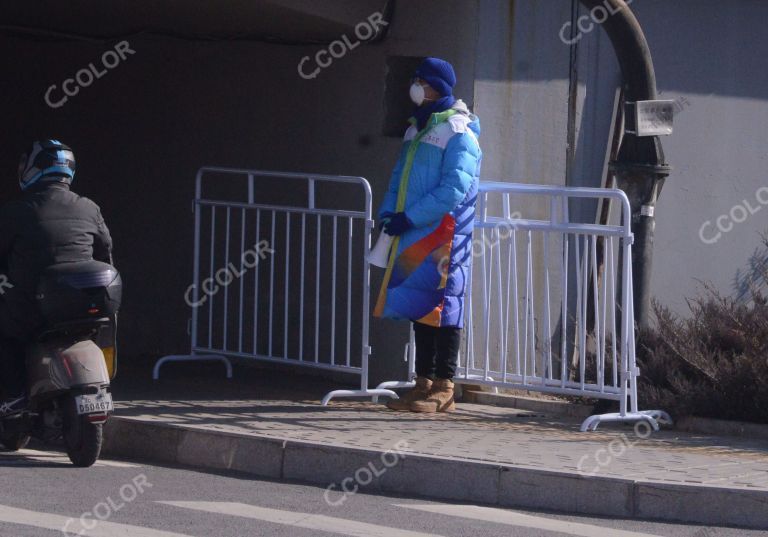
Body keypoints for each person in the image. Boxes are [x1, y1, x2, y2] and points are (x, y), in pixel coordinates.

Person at [374, 58, 481, 413]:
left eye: (421, 80)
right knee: (421, 306)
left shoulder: (458, 130)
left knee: (445, 307)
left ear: (436, 85)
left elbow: (454, 189)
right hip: (416, 231)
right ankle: (422, 384)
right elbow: (398, 178)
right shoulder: (415, 128)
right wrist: (389, 213)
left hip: (446, 232)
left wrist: (411, 217)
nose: (415, 85)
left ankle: (444, 387)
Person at [0, 139, 112, 415]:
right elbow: (106, 252)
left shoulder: (16, 211)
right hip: (83, 305)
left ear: (32, 169)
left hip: (32, 307)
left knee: (6, 334)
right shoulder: (89, 207)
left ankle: (14, 396)